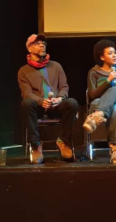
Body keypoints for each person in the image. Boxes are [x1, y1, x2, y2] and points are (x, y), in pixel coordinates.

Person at [18, 34, 79, 164]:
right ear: (29, 49)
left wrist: (60, 98)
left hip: (55, 105)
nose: (42, 45)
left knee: (72, 103)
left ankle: (63, 140)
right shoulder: (23, 71)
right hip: (38, 107)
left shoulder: (56, 66)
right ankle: (36, 145)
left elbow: (64, 87)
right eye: (37, 43)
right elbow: (27, 93)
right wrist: (41, 101)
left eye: (44, 43)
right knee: (26, 103)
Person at [83, 39, 116, 164]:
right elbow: (92, 95)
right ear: (102, 57)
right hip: (98, 104)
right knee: (114, 109)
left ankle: (98, 116)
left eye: (115, 52)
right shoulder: (94, 72)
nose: (114, 55)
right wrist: (108, 80)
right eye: (110, 53)